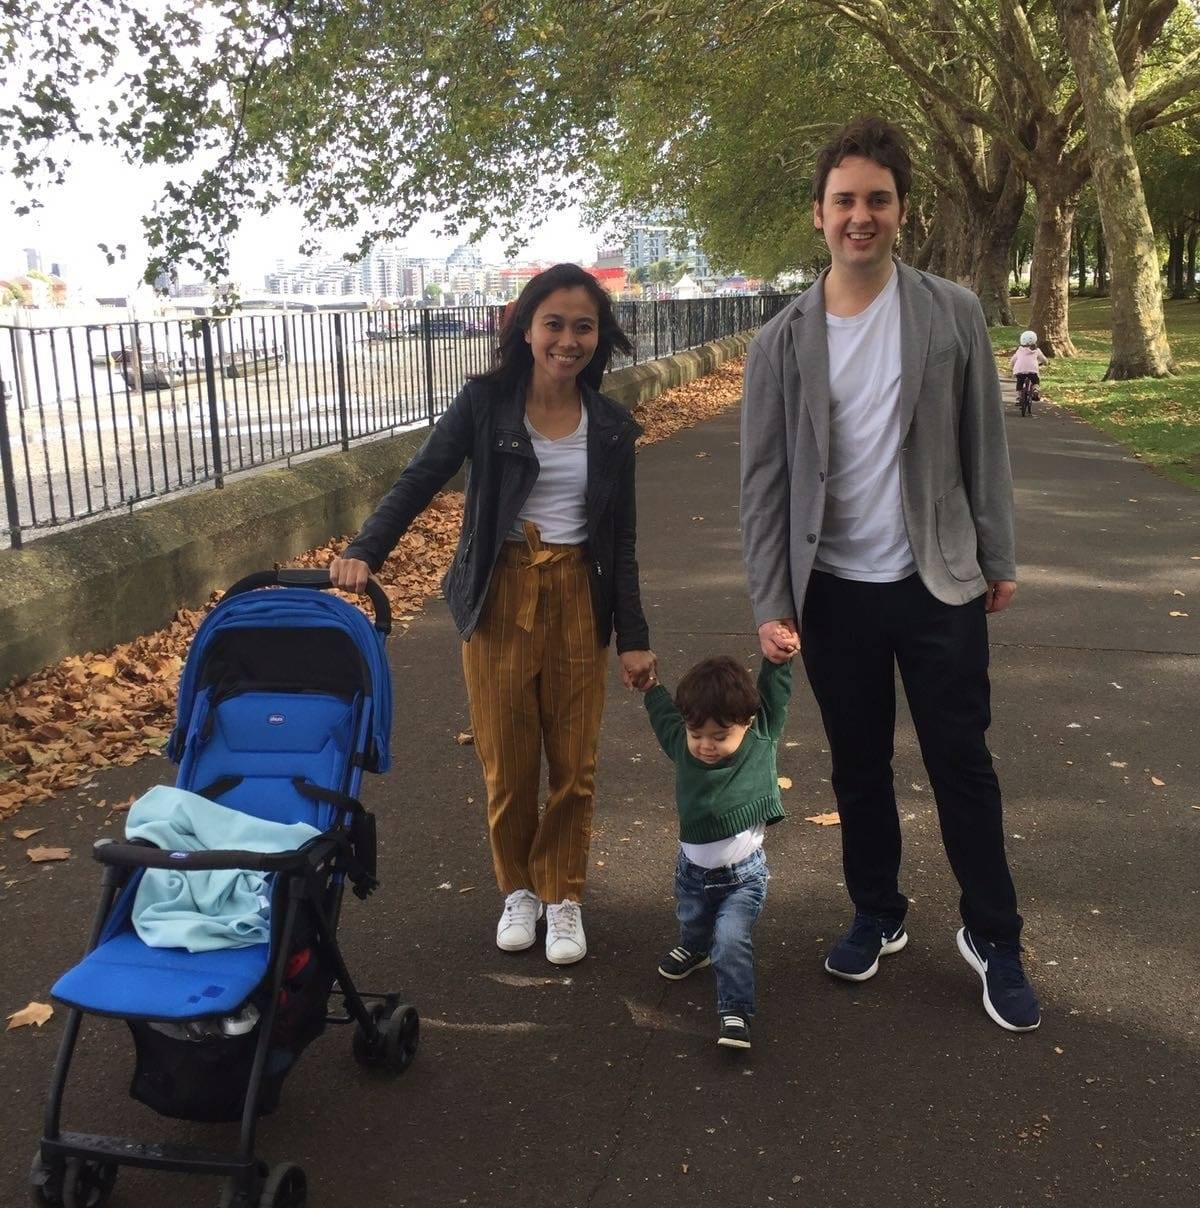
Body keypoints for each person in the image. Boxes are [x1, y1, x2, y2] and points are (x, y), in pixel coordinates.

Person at [739, 116, 1040, 1031]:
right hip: (832, 592)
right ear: (819, 216)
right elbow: (764, 483)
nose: (859, 217)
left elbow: (981, 440)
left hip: (937, 579)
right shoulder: (780, 341)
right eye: (844, 202)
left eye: (876, 200)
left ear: (900, 211)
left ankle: (995, 936)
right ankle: (878, 912)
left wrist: (998, 553)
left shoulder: (950, 311)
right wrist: (770, 598)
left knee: (963, 763)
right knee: (858, 767)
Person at [330, 264, 657, 965]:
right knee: (508, 761)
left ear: (600, 339)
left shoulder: (610, 428)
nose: (568, 340)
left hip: (577, 595)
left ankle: (564, 896)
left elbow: (621, 540)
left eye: (584, 327)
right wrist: (367, 549)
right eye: (555, 324)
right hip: (499, 592)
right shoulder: (484, 405)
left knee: (574, 761)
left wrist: (634, 638)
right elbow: (422, 475)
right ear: (525, 329)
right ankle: (520, 890)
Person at [642, 654, 794, 1050]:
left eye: (719, 736)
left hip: (743, 879)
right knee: (692, 916)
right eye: (697, 735)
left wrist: (778, 660)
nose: (706, 745)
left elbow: (774, 698)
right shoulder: (683, 745)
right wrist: (649, 686)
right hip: (691, 870)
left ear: (746, 723)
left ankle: (736, 1012)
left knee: (730, 938)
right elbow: (663, 716)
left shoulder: (760, 741)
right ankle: (695, 948)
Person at [1011, 330, 1047, 415]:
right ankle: (1035, 390)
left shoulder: (1019, 350)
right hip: (1032, 370)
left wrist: (1012, 367)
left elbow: (1013, 360)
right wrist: (1046, 363)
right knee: (1035, 381)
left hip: (1020, 370)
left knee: (1019, 382)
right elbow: (1043, 359)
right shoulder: (1037, 350)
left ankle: (1020, 397)